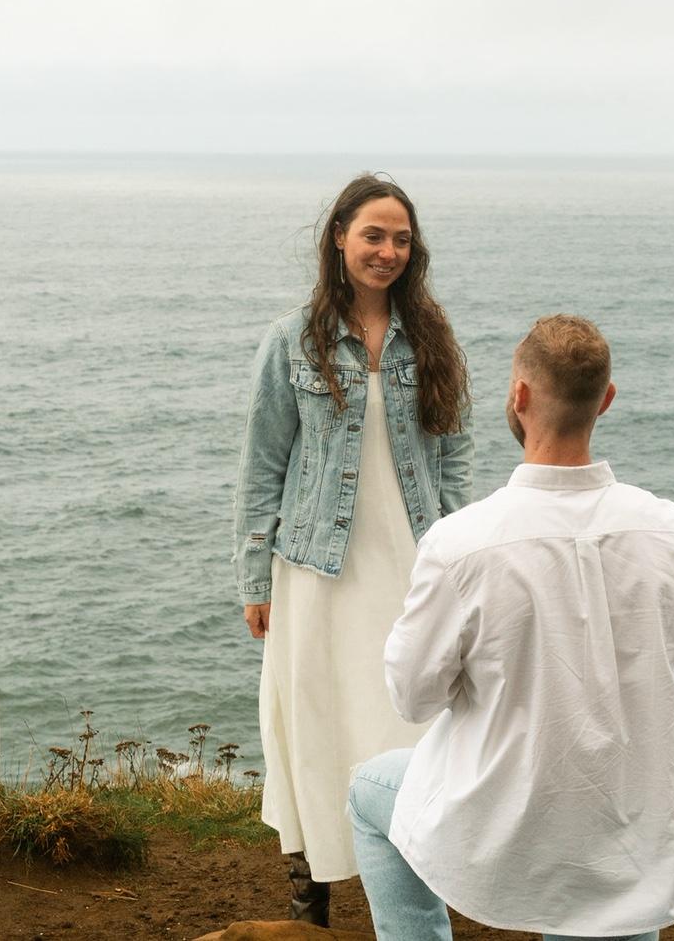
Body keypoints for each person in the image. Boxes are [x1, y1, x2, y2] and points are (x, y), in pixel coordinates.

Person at [348, 315, 674, 941]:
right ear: (605, 401)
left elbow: (413, 696)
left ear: (519, 397)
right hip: (623, 835)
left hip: (501, 825)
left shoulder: (462, 544)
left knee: (370, 790)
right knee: (608, 904)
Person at [233, 173, 473, 926]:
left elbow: (456, 457)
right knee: (318, 716)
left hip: (411, 563)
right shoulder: (290, 341)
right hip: (314, 567)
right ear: (338, 236)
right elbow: (262, 464)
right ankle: (314, 884)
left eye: (401, 238)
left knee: (408, 720)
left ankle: (408, 881)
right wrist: (253, 577)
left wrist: (458, 553)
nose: (388, 251)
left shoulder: (432, 338)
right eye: (373, 235)